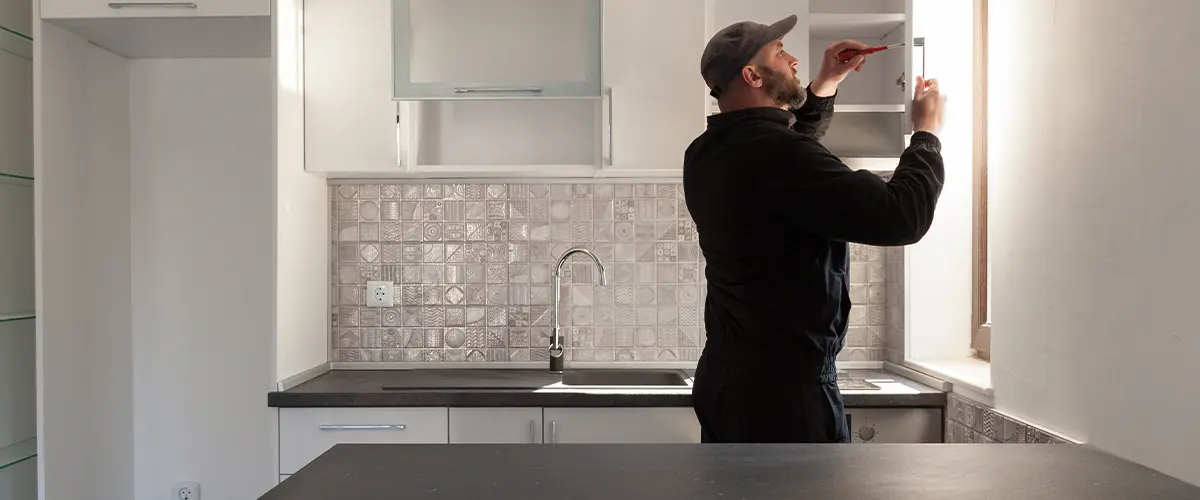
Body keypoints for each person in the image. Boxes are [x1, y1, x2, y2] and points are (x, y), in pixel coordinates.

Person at [684, 14, 947, 443]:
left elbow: (788, 147)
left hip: (729, 382)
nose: (793, 61)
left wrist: (826, 83)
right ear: (752, 75)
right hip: (786, 398)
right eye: (779, 52)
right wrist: (926, 134)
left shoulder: (705, 152)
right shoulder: (777, 156)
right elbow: (902, 216)